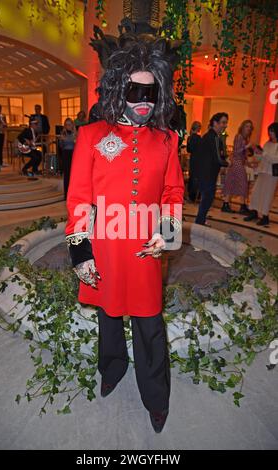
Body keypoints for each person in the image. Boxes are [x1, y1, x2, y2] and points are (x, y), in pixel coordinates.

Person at [65, 34, 184, 433]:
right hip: (105, 246)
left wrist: (167, 235)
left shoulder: (167, 140)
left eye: (151, 92)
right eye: (135, 90)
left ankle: (157, 397)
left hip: (145, 249)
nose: (144, 101)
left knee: (150, 324)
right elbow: (79, 198)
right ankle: (111, 368)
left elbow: (172, 191)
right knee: (109, 316)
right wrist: (81, 253)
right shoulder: (91, 136)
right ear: (119, 88)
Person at [195, 113, 229, 225]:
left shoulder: (210, 136)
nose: (225, 125)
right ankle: (200, 222)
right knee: (207, 199)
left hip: (205, 173)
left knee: (206, 199)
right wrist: (227, 164)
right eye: (223, 122)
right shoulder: (213, 137)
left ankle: (201, 221)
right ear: (215, 123)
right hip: (208, 174)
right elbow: (217, 157)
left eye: (226, 123)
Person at [244, 122, 278, 226]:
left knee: (267, 195)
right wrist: (256, 153)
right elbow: (261, 158)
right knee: (256, 192)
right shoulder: (267, 144)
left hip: (271, 174)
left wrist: (263, 153)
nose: (270, 133)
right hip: (263, 171)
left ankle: (265, 216)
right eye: (269, 131)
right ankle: (253, 212)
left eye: (272, 131)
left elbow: (274, 160)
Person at [221, 120, 254, 214]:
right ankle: (242, 206)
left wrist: (248, 162)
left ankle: (226, 204)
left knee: (231, 183)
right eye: (247, 126)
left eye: (250, 127)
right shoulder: (239, 136)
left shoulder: (244, 138)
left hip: (239, 163)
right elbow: (236, 151)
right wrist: (246, 146)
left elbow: (242, 154)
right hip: (237, 163)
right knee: (243, 184)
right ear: (242, 127)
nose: (249, 128)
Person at [59, 118, 76, 198]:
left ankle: (74, 193)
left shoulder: (76, 133)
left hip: (74, 155)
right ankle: (66, 194)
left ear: (72, 125)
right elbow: (61, 147)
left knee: (74, 175)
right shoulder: (63, 133)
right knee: (67, 175)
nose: (68, 126)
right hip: (66, 154)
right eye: (66, 124)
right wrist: (62, 140)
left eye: (69, 124)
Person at [186, 121, 201, 202]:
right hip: (198, 159)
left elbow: (188, 150)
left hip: (192, 159)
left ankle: (189, 195)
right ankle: (193, 196)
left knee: (192, 177)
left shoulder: (189, 138)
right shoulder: (198, 138)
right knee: (195, 178)